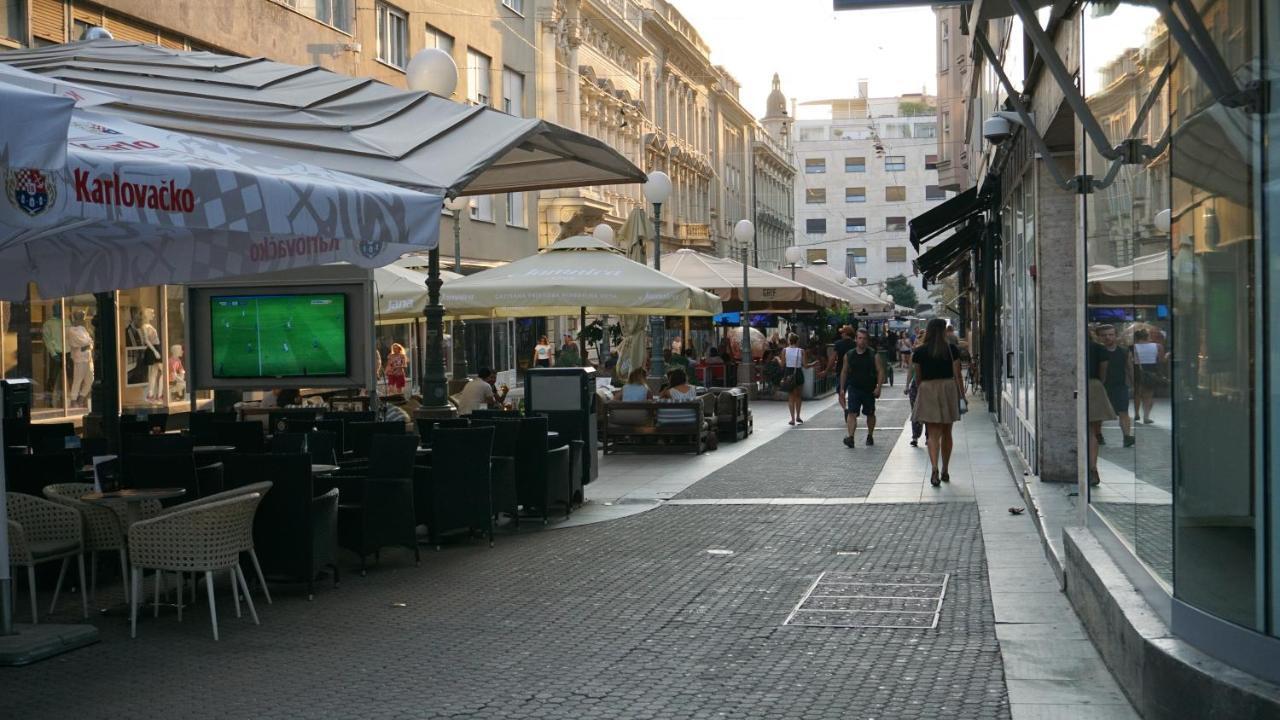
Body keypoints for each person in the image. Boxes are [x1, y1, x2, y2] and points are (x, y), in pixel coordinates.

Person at [912, 319, 965, 486]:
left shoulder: (919, 351)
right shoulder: (951, 350)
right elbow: (958, 375)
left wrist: (923, 389)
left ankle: (934, 468)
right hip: (948, 389)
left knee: (933, 434)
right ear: (943, 331)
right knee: (947, 433)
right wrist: (962, 395)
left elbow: (918, 376)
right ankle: (945, 470)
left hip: (928, 389)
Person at [838, 328, 884, 448]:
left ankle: (870, 435)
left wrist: (879, 387)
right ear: (855, 339)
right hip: (854, 388)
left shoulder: (873, 355)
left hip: (869, 389)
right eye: (859, 338)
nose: (862, 341)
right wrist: (842, 389)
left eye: (864, 339)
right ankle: (851, 437)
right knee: (852, 412)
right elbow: (844, 372)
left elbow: (880, 371)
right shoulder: (849, 355)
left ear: (867, 340)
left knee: (870, 413)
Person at [1095, 325, 1134, 448]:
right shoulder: (1096, 351)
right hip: (1101, 386)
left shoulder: (1123, 351)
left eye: (1110, 334)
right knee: (1099, 414)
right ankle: (1098, 435)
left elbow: (1129, 368)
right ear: (1099, 337)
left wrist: (1133, 384)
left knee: (1123, 411)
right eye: (1104, 335)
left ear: (1115, 335)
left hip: (1119, 386)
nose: (1108, 337)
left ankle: (1127, 436)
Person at [1088, 338, 1118, 486]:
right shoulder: (1098, 348)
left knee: (1087, 431)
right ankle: (1093, 468)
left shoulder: (1074, 346)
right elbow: (1103, 369)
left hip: (1077, 385)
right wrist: (1100, 382)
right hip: (1094, 385)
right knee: (1092, 431)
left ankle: (1087, 468)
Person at [1131, 328, 1164, 425]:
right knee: (1149, 395)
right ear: (1148, 336)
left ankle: (1137, 414)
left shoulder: (1133, 347)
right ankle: (1146, 417)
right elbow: (1161, 360)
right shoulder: (1157, 346)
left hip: (1138, 370)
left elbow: (1131, 360)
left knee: (1137, 394)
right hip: (1151, 370)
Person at [783, 333, 814, 426]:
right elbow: (805, 365)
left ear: (789, 340)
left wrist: (777, 359)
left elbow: (782, 364)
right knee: (798, 396)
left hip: (788, 373)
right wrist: (813, 364)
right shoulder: (801, 351)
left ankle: (792, 419)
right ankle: (798, 416)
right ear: (797, 341)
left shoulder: (784, 350)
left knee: (791, 396)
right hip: (798, 373)